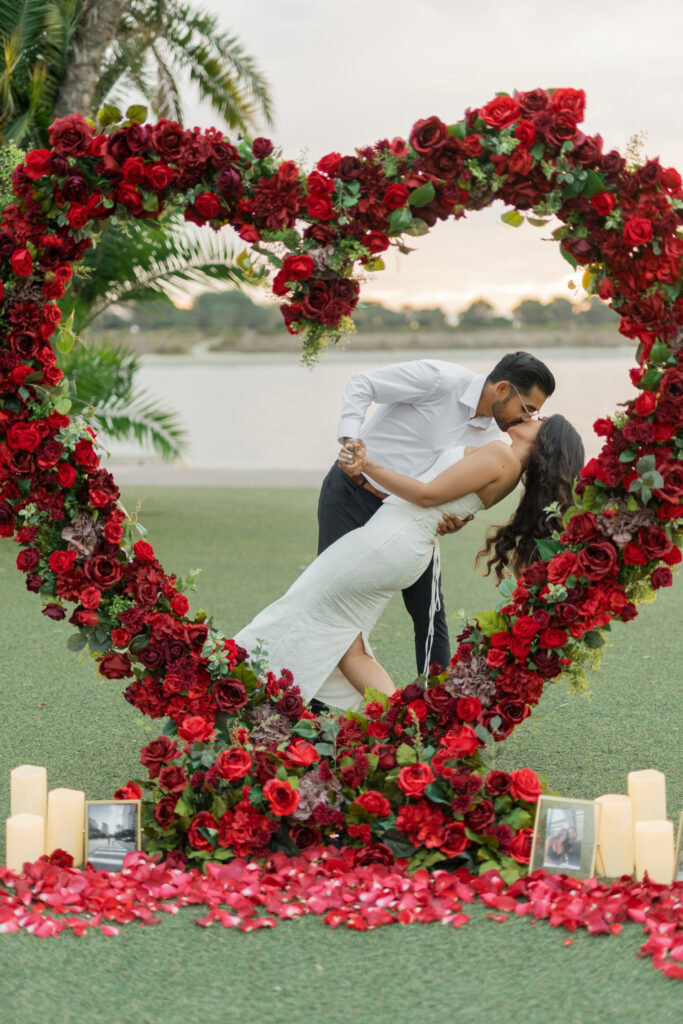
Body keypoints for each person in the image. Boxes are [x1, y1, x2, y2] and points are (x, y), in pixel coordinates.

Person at [234, 413, 584, 712]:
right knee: (349, 646)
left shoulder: (500, 455)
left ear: (545, 439)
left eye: (540, 418)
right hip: (402, 547)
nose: (530, 415)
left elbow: (426, 495)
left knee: (300, 605)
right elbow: (446, 501)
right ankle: (404, 726)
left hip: (388, 542)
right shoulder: (508, 472)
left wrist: (367, 465)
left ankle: (234, 676)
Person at [317, 351, 556, 691]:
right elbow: (363, 384)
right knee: (328, 595)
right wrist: (351, 440)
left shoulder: (495, 440)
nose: (527, 418)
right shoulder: (439, 379)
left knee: (430, 612)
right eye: (527, 408)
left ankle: (438, 702)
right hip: (351, 494)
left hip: (409, 520)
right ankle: (319, 698)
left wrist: (458, 520)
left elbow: (455, 491)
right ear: (503, 388)